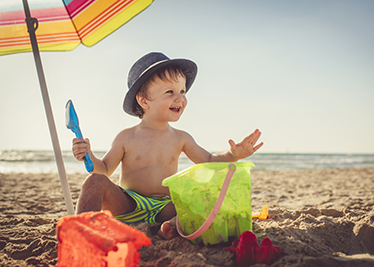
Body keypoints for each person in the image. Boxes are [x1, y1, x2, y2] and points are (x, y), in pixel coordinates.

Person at [72, 52, 263, 239]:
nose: (180, 98)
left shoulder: (181, 138)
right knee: (94, 181)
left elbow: (209, 160)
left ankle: (166, 227)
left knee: (199, 199)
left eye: (182, 91)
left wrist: (233, 154)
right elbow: (103, 170)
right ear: (143, 100)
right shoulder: (126, 137)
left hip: (165, 206)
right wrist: (88, 155)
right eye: (170, 92)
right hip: (128, 204)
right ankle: (82, 231)